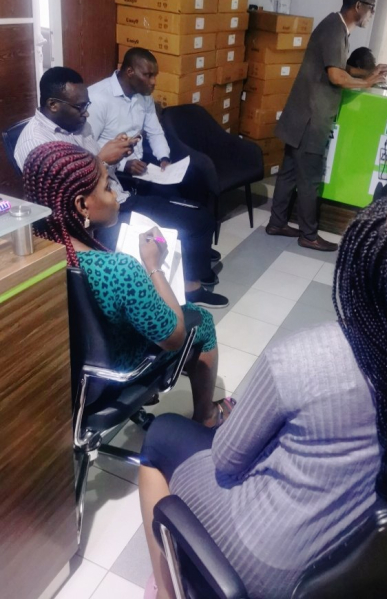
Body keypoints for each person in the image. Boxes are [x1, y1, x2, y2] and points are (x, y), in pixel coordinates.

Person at [138, 194, 387, 599]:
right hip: (361, 547)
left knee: (161, 435)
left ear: (349, 271)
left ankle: (167, 590)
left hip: (268, 563)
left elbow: (226, 459)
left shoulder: (300, 358)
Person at [22, 141, 234, 427]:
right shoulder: (118, 270)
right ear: (82, 205)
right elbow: (174, 338)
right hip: (113, 372)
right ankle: (207, 416)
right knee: (202, 320)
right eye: (108, 187)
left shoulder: (30, 258)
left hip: (58, 374)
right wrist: (153, 265)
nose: (115, 196)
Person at [15, 66, 228, 308]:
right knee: (185, 227)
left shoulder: (79, 126)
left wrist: (118, 156)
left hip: (117, 197)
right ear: (53, 105)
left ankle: (193, 264)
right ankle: (189, 287)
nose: (86, 114)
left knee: (197, 214)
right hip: (93, 218)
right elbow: (64, 198)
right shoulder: (36, 143)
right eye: (80, 107)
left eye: (87, 105)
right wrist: (102, 159)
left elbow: (101, 169)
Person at [266, 0, 387, 252]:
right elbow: (335, 76)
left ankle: (277, 223)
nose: (371, 14)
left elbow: (339, 67)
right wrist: (367, 83)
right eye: (371, 8)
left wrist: (367, 73)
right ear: (358, 6)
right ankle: (309, 235)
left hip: (300, 114)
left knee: (288, 173)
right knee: (309, 180)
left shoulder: (336, 27)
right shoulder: (335, 30)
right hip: (310, 119)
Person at [88, 47, 213, 210]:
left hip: (141, 164)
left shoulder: (144, 96)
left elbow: (155, 132)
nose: (153, 82)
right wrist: (124, 164)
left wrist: (164, 158)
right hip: (113, 172)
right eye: (148, 75)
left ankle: (198, 215)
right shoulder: (98, 97)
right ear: (130, 72)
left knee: (194, 178)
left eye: (155, 75)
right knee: (167, 199)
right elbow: (88, 146)